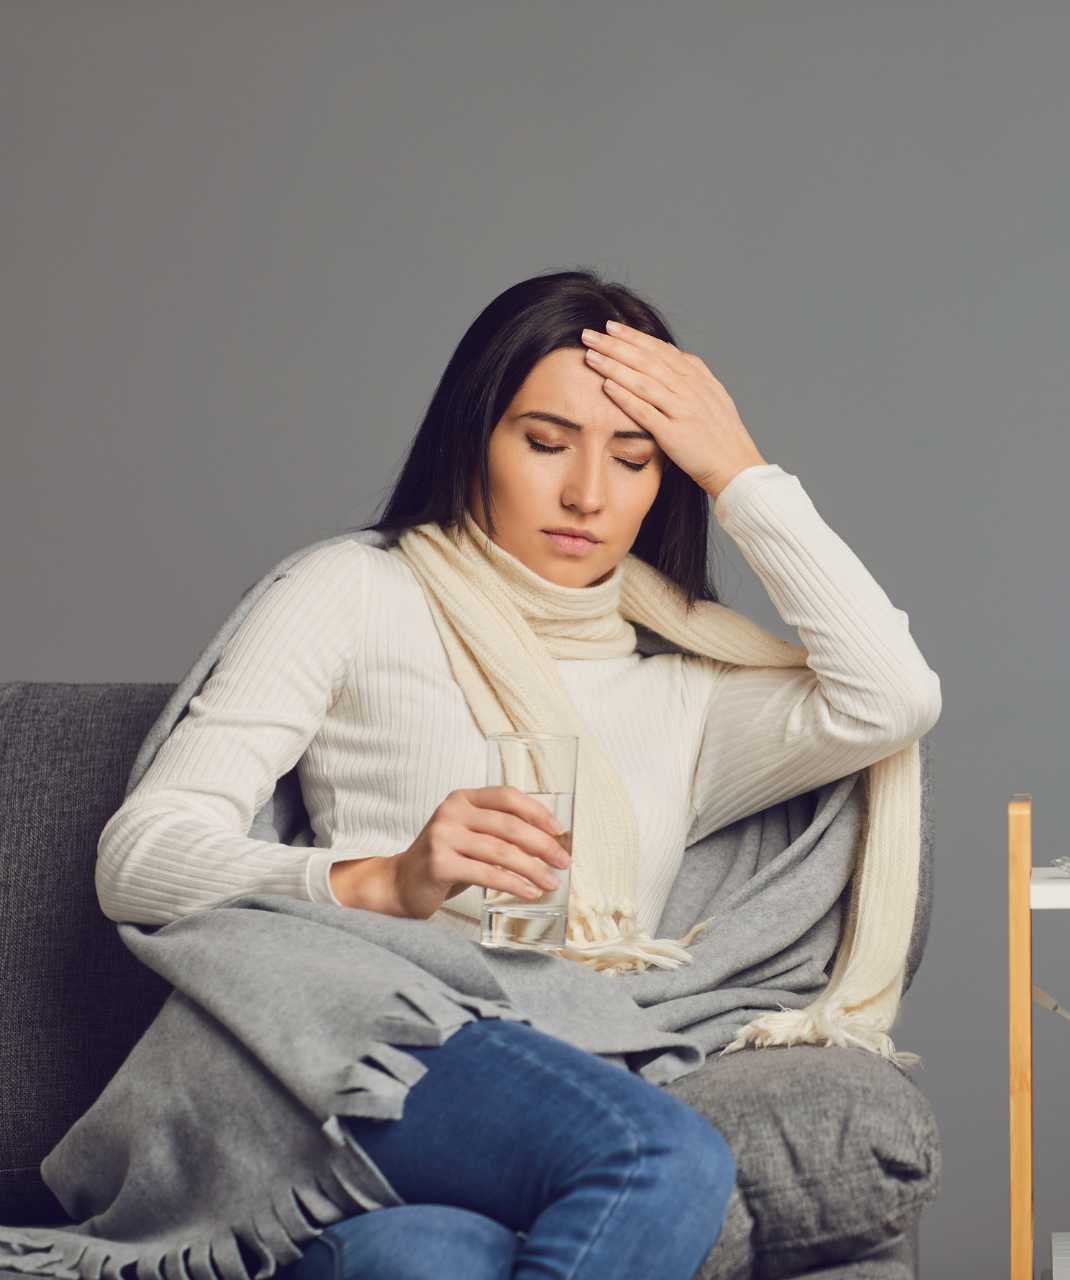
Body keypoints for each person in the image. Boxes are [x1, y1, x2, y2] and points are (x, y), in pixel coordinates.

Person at [94, 272, 942, 1280]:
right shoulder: (355, 591)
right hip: (371, 1039)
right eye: (545, 443)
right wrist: (378, 879)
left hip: (570, 1058)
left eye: (634, 459)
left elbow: (892, 696)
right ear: (475, 439)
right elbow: (139, 857)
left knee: (429, 1255)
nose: (588, 492)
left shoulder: (686, 697)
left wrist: (742, 471)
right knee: (660, 1156)